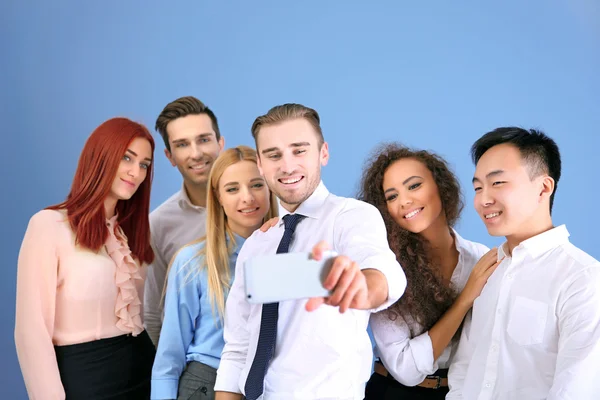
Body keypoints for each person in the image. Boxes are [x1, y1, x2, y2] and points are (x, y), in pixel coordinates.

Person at [214, 103, 407, 400]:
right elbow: (239, 344)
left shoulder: (351, 217)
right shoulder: (257, 245)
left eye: (299, 150)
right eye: (273, 155)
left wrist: (362, 286)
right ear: (261, 165)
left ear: (323, 153)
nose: (287, 166)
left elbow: (383, 271)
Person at [447, 127, 600, 399]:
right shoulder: (487, 270)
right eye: (477, 187)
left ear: (543, 187)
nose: (483, 199)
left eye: (497, 183)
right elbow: (464, 369)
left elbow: (575, 390)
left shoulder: (583, 278)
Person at [15, 117, 157, 399]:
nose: (136, 172)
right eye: (127, 158)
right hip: (85, 379)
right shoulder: (48, 226)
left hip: (143, 372)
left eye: (144, 164)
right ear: (101, 157)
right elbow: (31, 332)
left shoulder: (129, 234)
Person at [357, 143, 498, 399]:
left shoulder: (478, 257)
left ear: (441, 187)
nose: (405, 201)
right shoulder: (385, 270)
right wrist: (466, 298)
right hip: (394, 393)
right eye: (392, 196)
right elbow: (406, 370)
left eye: (413, 186)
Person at [151, 146, 278, 400]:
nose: (247, 198)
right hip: (207, 384)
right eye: (232, 189)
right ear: (218, 197)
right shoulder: (192, 262)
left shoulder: (291, 256)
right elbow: (170, 353)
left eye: (256, 185)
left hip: (274, 386)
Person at [145, 96, 225, 346]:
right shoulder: (158, 224)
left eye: (204, 140)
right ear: (169, 156)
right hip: (199, 374)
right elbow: (153, 314)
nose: (196, 153)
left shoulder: (265, 204)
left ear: (220, 143)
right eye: (182, 145)